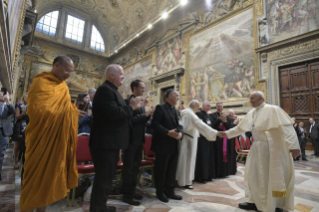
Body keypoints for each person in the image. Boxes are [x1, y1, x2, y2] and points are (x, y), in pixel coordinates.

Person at [220, 91, 300, 212]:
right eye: (250, 98)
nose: (250, 100)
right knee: (252, 174)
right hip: (256, 147)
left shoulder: (273, 109)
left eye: (252, 98)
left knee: (271, 176)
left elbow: (287, 127)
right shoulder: (251, 113)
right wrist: (226, 133)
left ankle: (275, 205)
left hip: (272, 148)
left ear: (261, 99)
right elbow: (240, 128)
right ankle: (253, 201)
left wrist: (294, 145)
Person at [20, 56, 79, 212]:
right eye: (67, 70)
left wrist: (72, 112)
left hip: (55, 141)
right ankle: (28, 207)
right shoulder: (40, 82)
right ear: (56, 65)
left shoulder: (64, 89)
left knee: (47, 179)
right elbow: (36, 110)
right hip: (39, 137)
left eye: (71, 72)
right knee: (34, 177)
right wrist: (66, 112)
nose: (69, 75)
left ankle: (42, 210)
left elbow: (65, 110)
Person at [89, 64, 146, 212]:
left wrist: (134, 107)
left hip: (110, 143)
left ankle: (100, 206)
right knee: (103, 178)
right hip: (105, 143)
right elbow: (114, 114)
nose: (123, 76)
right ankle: (98, 208)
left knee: (106, 178)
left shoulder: (112, 91)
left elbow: (119, 110)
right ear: (111, 75)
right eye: (121, 73)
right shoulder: (105, 90)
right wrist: (131, 107)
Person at [122, 80, 154, 206]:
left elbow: (141, 120)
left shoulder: (141, 103)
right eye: (141, 88)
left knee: (136, 168)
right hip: (130, 140)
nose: (143, 90)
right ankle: (127, 195)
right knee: (128, 168)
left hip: (139, 139)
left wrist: (148, 115)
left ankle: (132, 191)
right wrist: (144, 115)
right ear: (134, 88)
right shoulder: (128, 102)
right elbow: (129, 121)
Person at [176, 100, 219, 189]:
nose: (199, 107)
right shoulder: (188, 113)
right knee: (185, 161)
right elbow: (200, 124)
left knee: (190, 162)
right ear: (193, 105)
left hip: (191, 140)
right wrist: (215, 133)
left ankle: (187, 181)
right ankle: (182, 181)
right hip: (187, 140)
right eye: (198, 105)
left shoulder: (191, 113)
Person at [151, 89, 183, 203]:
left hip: (174, 145)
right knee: (161, 169)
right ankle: (160, 192)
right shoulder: (160, 108)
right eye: (176, 95)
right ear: (169, 96)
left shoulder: (176, 111)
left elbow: (180, 126)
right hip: (162, 145)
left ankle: (170, 191)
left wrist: (180, 134)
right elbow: (154, 124)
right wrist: (167, 132)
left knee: (171, 169)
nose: (178, 97)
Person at [195, 101, 215, 183]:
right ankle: (201, 176)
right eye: (207, 106)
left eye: (210, 106)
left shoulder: (207, 115)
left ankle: (207, 175)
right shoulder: (199, 114)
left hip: (208, 138)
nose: (209, 107)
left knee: (208, 157)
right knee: (202, 157)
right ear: (203, 106)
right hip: (202, 139)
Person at [210, 101, 232, 178]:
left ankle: (224, 173)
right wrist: (219, 119)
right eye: (218, 106)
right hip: (217, 138)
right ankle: (216, 173)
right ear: (216, 107)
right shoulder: (212, 115)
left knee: (224, 155)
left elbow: (229, 128)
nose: (219, 108)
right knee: (217, 154)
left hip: (224, 138)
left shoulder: (226, 116)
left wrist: (225, 121)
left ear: (223, 107)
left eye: (221, 106)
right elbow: (212, 126)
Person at [0, 90, 15, 181]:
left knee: (1, 154)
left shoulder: (9, 106)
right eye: (2, 93)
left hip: (3, 132)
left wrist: (8, 101)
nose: (3, 95)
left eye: (5, 94)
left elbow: (13, 110)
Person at [12, 94, 28, 170]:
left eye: (28, 96)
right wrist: (23, 114)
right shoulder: (19, 105)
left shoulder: (31, 106)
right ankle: (15, 161)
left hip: (28, 127)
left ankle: (23, 163)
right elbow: (16, 116)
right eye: (25, 97)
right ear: (23, 98)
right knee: (17, 145)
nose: (27, 98)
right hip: (20, 126)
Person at [227, 109, 239, 175]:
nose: (231, 114)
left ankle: (232, 170)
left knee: (232, 154)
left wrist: (237, 123)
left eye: (232, 113)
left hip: (232, 140)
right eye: (230, 113)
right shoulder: (226, 119)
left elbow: (236, 129)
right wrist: (234, 123)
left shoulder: (232, 120)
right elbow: (229, 128)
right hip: (226, 140)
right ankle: (228, 170)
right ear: (227, 113)